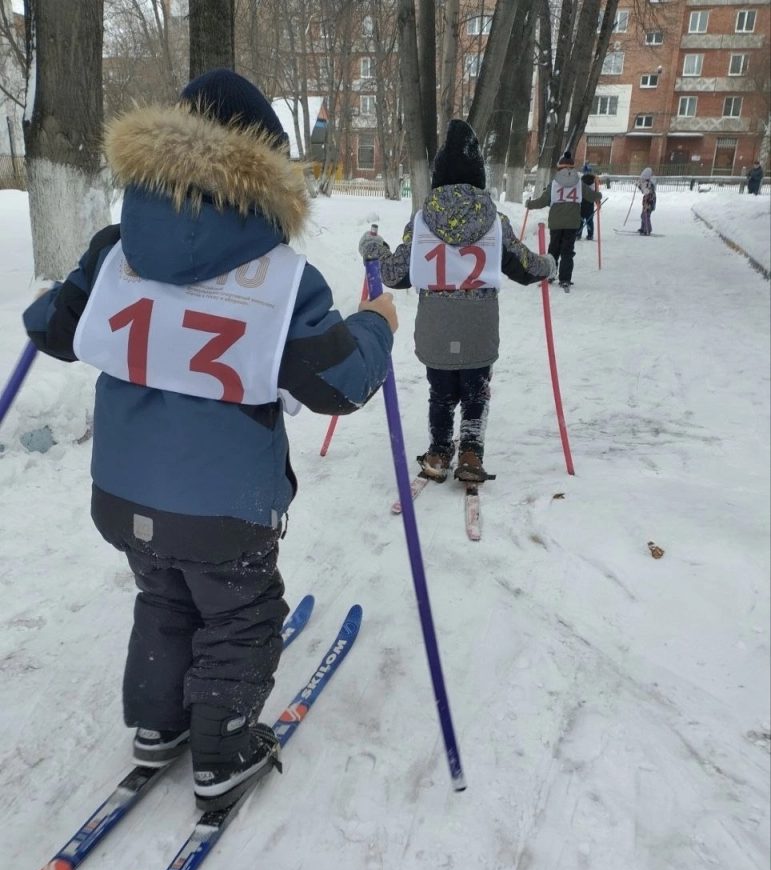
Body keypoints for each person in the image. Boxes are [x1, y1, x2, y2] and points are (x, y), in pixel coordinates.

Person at [21, 69, 397, 810]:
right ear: (267, 168)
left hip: (124, 491)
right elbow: (337, 383)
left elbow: (53, 330)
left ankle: (157, 725)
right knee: (239, 612)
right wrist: (377, 326)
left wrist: (47, 304)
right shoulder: (283, 278)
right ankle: (222, 749)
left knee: (163, 595)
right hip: (226, 507)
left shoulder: (113, 250)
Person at [359, 119, 554, 484]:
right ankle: (470, 453)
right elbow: (525, 266)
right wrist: (548, 265)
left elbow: (396, 273)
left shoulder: (421, 223)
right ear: (478, 177)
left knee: (441, 392)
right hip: (480, 327)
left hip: (436, 326)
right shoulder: (496, 222)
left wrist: (372, 247)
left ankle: (437, 451)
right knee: (476, 392)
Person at [525, 150, 601, 290]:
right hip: (572, 222)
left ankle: (550, 274)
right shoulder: (579, 183)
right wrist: (598, 195)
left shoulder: (554, 183)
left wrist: (530, 204)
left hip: (556, 221)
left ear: (559, 167)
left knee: (553, 248)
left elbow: (543, 201)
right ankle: (565, 279)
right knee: (567, 250)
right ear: (572, 168)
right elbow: (591, 196)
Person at [577, 163, 597, 240]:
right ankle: (590, 235)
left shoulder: (581, 180)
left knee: (580, 219)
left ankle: (578, 234)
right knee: (589, 219)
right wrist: (597, 202)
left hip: (582, 202)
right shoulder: (594, 181)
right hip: (590, 202)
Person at [638, 167, 657, 235]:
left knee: (645, 215)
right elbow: (644, 190)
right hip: (647, 201)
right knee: (643, 215)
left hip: (649, 201)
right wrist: (639, 186)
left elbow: (647, 191)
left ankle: (648, 229)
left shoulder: (650, 183)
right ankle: (643, 228)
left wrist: (641, 186)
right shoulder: (647, 182)